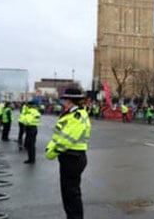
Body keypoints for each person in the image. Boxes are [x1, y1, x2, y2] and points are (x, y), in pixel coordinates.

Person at [46, 88, 92, 219]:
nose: (62, 102)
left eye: (64, 99)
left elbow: (67, 139)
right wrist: (50, 148)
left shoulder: (77, 116)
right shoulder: (70, 114)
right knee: (68, 194)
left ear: (70, 100)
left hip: (73, 157)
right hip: (69, 157)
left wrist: (51, 153)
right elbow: (58, 136)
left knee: (71, 194)